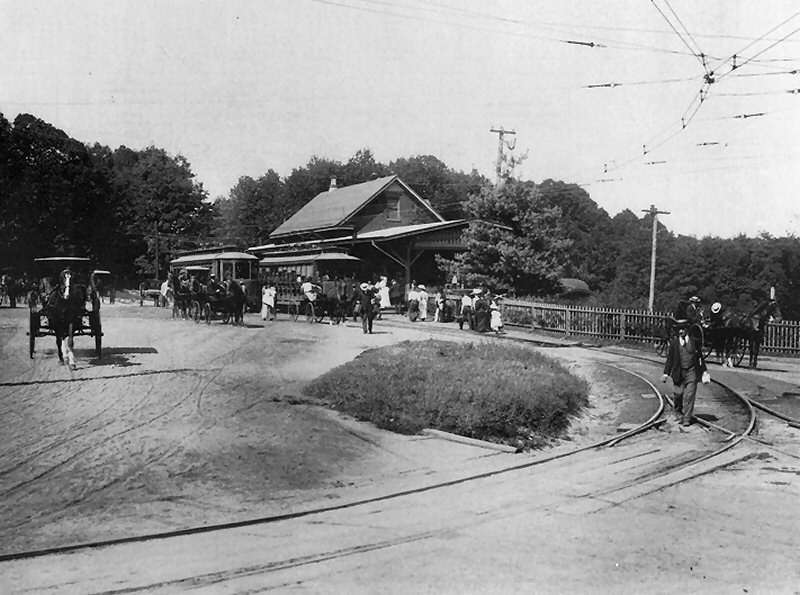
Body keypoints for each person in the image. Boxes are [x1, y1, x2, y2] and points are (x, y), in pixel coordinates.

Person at [662, 320, 710, 428]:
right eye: (679, 329)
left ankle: (687, 419)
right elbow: (670, 359)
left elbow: (700, 357)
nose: (680, 331)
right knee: (678, 394)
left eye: (682, 329)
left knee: (689, 395)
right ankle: (678, 412)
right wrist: (666, 373)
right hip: (678, 372)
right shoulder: (674, 343)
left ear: (687, 330)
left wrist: (704, 371)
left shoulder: (694, 341)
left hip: (691, 371)